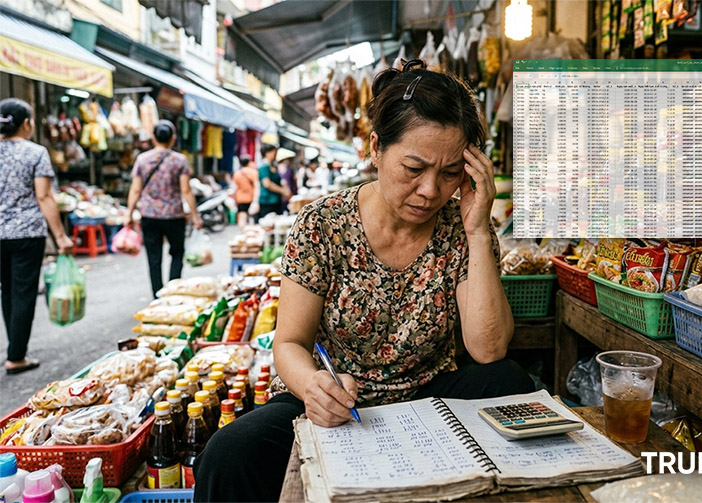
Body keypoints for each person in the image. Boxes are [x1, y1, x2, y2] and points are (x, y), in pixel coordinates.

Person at [194, 60, 533, 502]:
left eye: (450, 173)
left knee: (509, 381)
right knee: (229, 454)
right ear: (376, 148)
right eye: (414, 168)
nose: (431, 190)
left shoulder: (462, 226)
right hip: (335, 399)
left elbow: (488, 350)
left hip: (424, 400)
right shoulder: (323, 224)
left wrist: (478, 229)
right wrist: (314, 387)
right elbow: (289, 343)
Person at [0, 98, 73, 374]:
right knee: (23, 292)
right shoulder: (36, 152)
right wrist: (61, 236)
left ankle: (15, 347)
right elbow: (44, 196)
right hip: (26, 233)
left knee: (7, 290)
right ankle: (16, 355)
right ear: (27, 124)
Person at [126, 120, 201, 298]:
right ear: (173, 138)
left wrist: (129, 214)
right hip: (174, 215)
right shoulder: (179, 160)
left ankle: (157, 295)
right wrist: (195, 216)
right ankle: (173, 292)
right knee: (177, 253)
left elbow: (135, 189)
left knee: (154, 257)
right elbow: (186, 190)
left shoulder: (142, 160)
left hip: (149, 215)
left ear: (153, 138)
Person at [257, 144, 290, 218]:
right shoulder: (264, 167)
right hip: (267, 201)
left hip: (276, 200)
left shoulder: (273, 166)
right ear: (267, 153)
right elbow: (267, 184)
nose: (275, 155)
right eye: (274, 153)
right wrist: (282, 191)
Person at [232, 156, 258, 228]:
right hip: (252, 198)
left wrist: (234, 199)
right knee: (252, 219)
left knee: (242, 218)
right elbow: (257, 186)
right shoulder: (253, 172)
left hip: (240, 198)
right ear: (249, 162)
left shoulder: (237, 173)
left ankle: (244, 234)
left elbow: (235, 188)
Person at [275, 148, 297, 213]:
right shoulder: (284, 168)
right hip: (287, 195)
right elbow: (284, 182)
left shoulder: (279, 167)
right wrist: (288, 194)